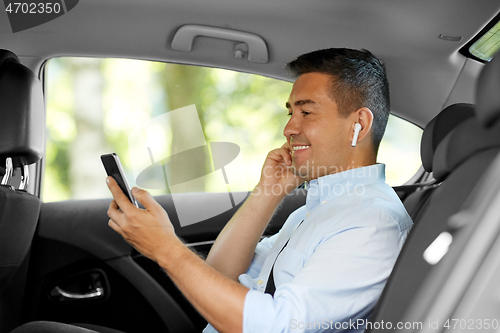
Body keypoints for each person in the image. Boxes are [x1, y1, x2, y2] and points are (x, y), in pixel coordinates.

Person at [104, 48, 412, 333]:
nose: (289, 128)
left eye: (306, 113)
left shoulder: (371, 222)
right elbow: (221, 276)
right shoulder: (318, 210)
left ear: (358, 123)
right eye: (291, 113)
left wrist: (164, 248)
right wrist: (268, 192)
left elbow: (275, 326)